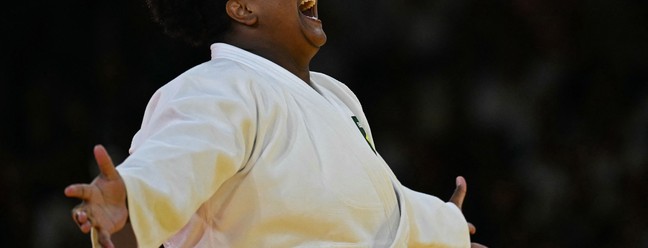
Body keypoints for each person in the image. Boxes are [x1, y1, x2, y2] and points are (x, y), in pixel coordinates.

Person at [64, 0, 487, 247]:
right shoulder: (219, 88)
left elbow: (363, 213)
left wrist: (443, 229)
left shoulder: (337, 97)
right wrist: (129, 203)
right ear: (243, 7)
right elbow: (168, 167)